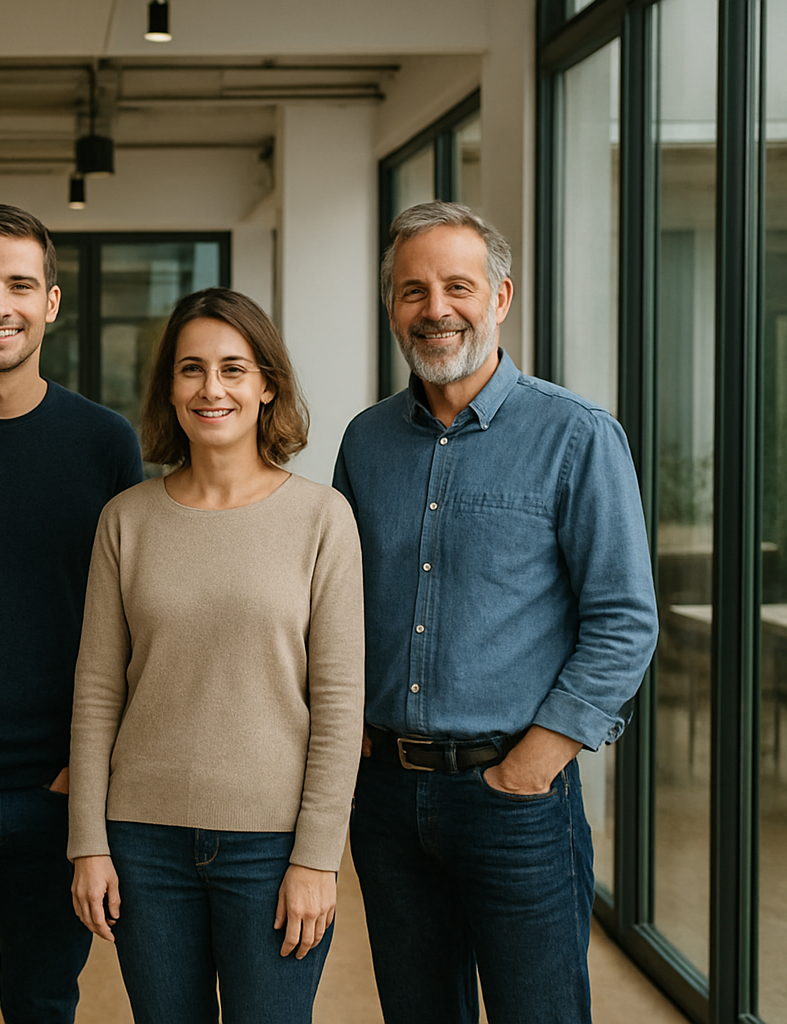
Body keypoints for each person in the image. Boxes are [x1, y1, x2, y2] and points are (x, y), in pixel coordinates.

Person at [333, 201, 659, 1024]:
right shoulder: (365, 442)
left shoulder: (576, 435)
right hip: (387, 797)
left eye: (457, 286)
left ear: (500, 298)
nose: (435, 308)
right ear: (392, 307)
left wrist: (534, 763)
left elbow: (623, 618)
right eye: (412, 290)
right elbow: (336, 600)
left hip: (515, 798)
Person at [68, 287, 364, 1024]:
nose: (212, 389)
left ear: (268, 386)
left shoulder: (322, 519)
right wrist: (88, 844)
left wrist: (317, 857)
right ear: (169, 389)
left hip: (273, 848)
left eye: (233, 369)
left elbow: (338, 703)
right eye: (191, 369)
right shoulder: (126, 520)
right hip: (142, 845)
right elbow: (97, 692)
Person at [0, 205, 143, 1024]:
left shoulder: (103, 443)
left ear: (51, 303)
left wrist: (83, 780)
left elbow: (131, 625)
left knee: (42, 1002)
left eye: (20, 284)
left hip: (53, 790)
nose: (3, 305)